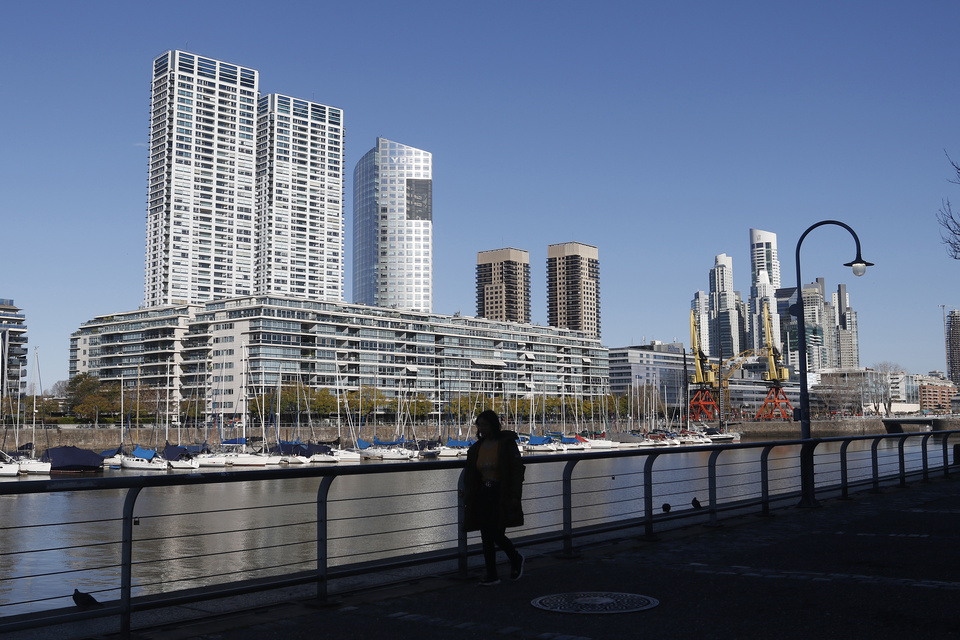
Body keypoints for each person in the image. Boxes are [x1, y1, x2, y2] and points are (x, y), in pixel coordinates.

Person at [462, 409, 525, 586]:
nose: (481, 428)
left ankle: (516, 558)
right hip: (483, 494)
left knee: (496, 533)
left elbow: (516, 471)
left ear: (493, 425)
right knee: (486, 536)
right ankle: (492, 574)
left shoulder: (506, 443)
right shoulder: (477, 447)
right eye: (479, 425)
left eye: (485, 425)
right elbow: (472, 474)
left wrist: (514, 496)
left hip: (501, 494)